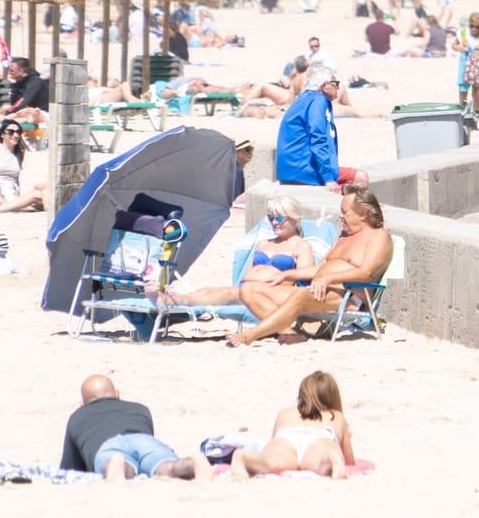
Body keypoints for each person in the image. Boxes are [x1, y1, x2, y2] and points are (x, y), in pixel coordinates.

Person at [230, 184, 394, 346]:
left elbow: (366, 273)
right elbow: (320, 269)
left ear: (363, 214)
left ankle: (251, 335)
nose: (340, 215)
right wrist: (288, 275)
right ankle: (290, 333)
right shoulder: (343, 236)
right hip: (318, 291)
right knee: (249, 289)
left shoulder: (378, 237)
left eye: (344, 212)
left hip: (346, 296)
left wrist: (327, 279)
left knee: (300, 295)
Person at [161, 195, 316, 307]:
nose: (274, 222)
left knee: (226, 294)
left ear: (294, 219)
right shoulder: (263, 243)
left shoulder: (301, 246)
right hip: (246, 289)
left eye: (280, 218)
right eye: (271, 218)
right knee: (212, 290)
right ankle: (179, 298)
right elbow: (248, 272)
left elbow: (306, 275)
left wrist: (284, 278)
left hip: (271, 294)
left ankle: (178, 301)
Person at [59, 375, 209, 481]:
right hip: (145, 440)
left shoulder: (77, 417)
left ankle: (118, 466)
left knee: (124, 468)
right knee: (166, 467)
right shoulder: (140, 409)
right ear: (117, 394)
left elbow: (69, 470)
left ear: (82, 404)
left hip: (109, 446)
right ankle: (192, 462)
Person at [232, 370, 357, 480]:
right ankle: (330, 459)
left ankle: (244, 457)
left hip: (286, 440)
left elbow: (274, 441)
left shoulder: (285, 413)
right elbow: (349, 460)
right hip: (320, 442)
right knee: (322, 460)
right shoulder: (335, 416)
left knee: (268, 460)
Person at [274, 66, 356, 188]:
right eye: (335, 83)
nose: (337, 87)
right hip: (304, 171)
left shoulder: (303, 99)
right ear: (324, 86)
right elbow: (318, 138)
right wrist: (328, 178)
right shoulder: (319, 100)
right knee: (360, 178)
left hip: (288, 171)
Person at [0, 118, 43, 213]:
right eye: (11, 132)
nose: (15, 135)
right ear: (2, 135)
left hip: (9, 188)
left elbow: (16, 178)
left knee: (38, 201)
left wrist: (16, 195)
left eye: (18, 132)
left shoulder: (19, 152)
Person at [456, 15, 479, 121]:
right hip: (464, 66)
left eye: (476, 27)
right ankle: (462, 114)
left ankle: (475, 116)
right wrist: (460, 48)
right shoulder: (464, 33)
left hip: (477, 68)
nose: (474, 29)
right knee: (463, 91)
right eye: (472, 26)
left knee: (476, 92)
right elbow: (454, 45)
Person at [2, 56, 49, 124]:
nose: (9, 73)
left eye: (12, 70)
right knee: (6, 108)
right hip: (29, 112)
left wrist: (8, 113)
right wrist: (14, 85)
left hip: (41, 113)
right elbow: (14, 103)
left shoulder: (34, 82)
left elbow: (23, 101)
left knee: (15, 114)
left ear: (21, 72)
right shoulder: (20, 82)